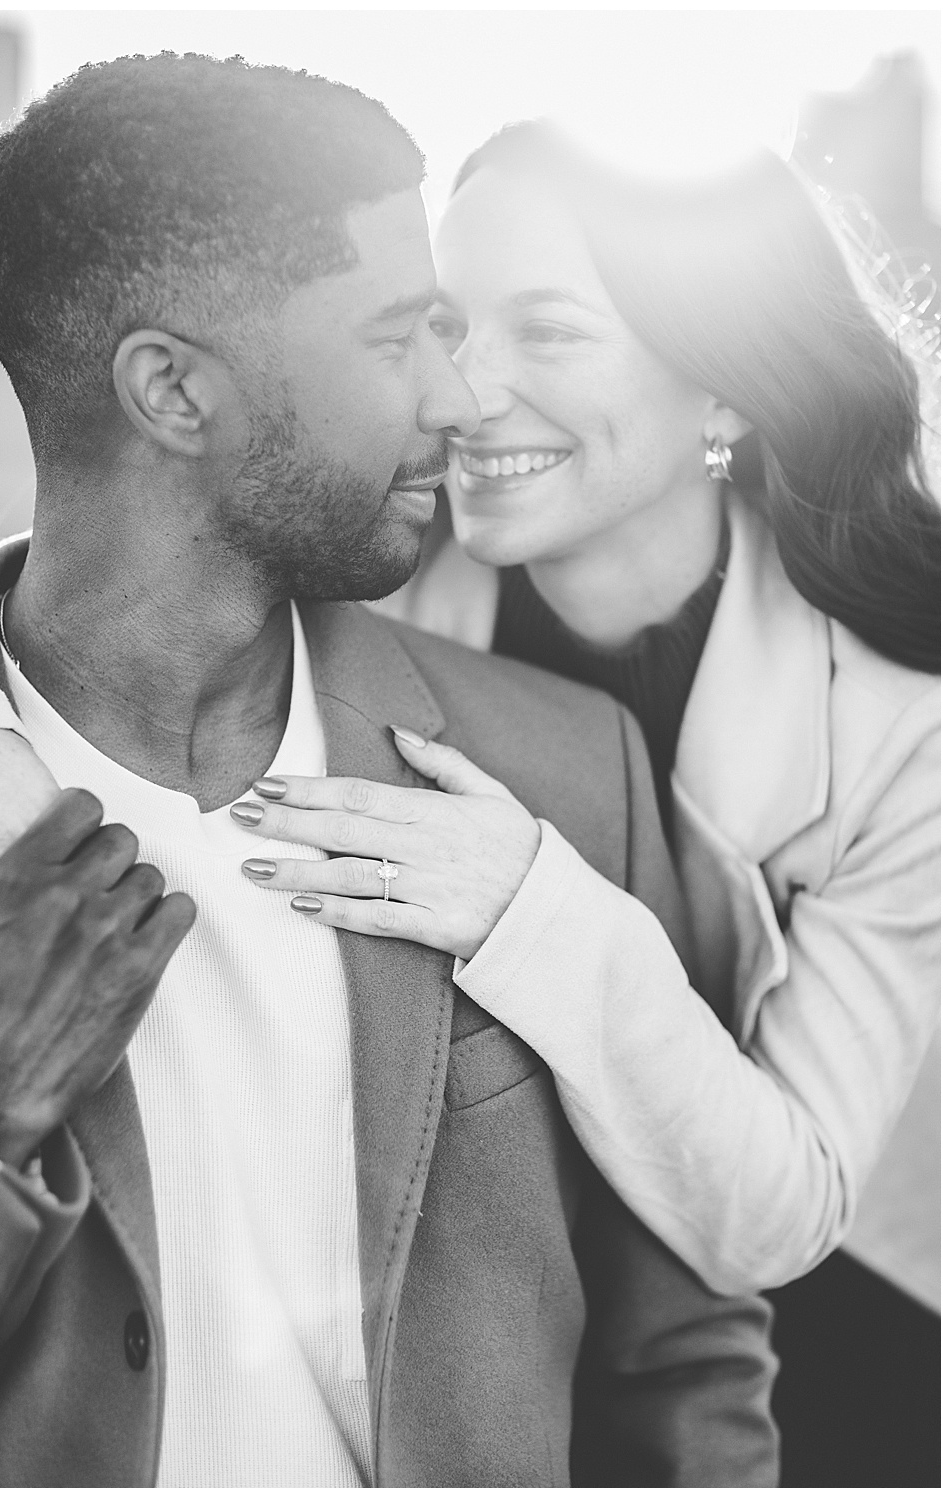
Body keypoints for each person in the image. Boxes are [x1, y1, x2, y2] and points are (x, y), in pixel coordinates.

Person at [0, 54, 778, 1486]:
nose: (461, 399)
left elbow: (686, 1362)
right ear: (170, 390)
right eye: (399, 338)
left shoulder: (564, 775)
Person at [232, 123, 939, 1485]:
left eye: (547, 334)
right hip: (489, 1301)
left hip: (836, 1312)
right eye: (446, 325)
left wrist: (535, 906)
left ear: (726, 392)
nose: (463, 391)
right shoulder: (367, 571)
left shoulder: (908, 722)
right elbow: (102, 590)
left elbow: (775, 1212)